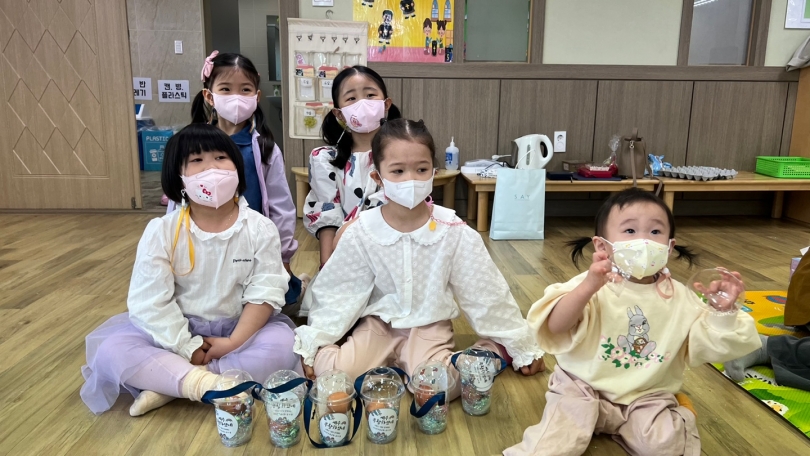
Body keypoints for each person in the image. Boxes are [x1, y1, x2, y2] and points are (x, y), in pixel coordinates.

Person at [294, 118, 546, 397]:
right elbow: (339, 291)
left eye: (421, 169)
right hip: (379, 325)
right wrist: (316, 340)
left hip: (429, 325)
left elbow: (485, 292)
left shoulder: (453, 231)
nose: (411, 179)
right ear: (378, 177)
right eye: (398, 171)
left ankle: (492, 351)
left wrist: (517, 343)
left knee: (435, 390)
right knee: (334, 377)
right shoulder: (362, 231)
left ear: (433, 172)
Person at [505, 188, 760, 456]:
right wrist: (588, 287)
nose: (644, 241)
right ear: (602, 246)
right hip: (581, 388)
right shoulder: (591, 285)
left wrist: (722, 312)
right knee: (552, 445)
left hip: (647, 395)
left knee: (666, 446)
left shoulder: (681, 298)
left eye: (655, 231)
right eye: (630, 231)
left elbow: (709, 344)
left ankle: (679, 411)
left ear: (669, 246)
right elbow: (555, 327)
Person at [81, 124, 301, 416]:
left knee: (283, 346)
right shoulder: (162, 230)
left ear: (238, 168)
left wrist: (234, 341)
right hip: (175, 333)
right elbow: (150, 301)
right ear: (179, 177)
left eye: (221, 158)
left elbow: (265, 291)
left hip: (240, 330)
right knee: (112, 351)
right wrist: (187, 347)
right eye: (197, 160)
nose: (212, 168)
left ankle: (172, 384)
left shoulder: (260, 228)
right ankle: (205, 382)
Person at [172, 51, 305, 307]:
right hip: (203, 239)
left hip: (253, 242)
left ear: (257, 96)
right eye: (226, 89)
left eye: (245, 89)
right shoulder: (191, 145)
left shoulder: (265, 148)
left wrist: (283, 254)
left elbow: (281, 204)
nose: (236, 97)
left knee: (261, 296)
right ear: (209, 96)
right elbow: (178, 198)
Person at [303, 65, 402, 267]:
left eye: (370, 95)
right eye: (351, 98)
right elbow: (327, 216)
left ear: (386, 104)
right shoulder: (324, 159)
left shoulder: (402, 155)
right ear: (339, 114)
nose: (362, 103)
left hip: (393, 254)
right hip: (346, 256)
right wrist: (327, 267)